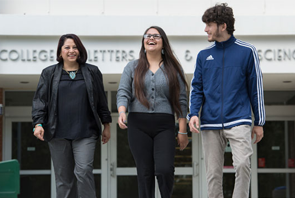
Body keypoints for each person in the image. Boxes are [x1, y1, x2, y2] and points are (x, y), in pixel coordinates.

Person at [188, 3, 265, 198]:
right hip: (210, 122)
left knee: (242, 164)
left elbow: (256, 89)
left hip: (239, 119)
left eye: (209, 24)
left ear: (223, 25)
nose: (205, 29)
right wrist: (193, 114)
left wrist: (260, 122)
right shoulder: (204, 56)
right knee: (213, 173)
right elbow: (197, 88)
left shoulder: (247, 51)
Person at [32, 34, 111, 198]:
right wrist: (38, 124)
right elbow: (40, 101)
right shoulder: (49, 73)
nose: (71, 51)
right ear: (60, 52)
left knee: (83, 172)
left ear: (80, 50)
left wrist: (106, 125)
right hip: (57, 133)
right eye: (67, 47)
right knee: (63, 179)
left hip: (86, 132)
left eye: (75, 47)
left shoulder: (92, 72)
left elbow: (101, 101)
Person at [117, 26, 189, 198]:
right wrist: (122, 111)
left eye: (156, 36)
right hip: (138, 124)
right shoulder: (132, 67)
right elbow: (123, 91)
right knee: (145, 172)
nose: (151, 38)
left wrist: (182, 130)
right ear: (143, 41)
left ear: (163, 42)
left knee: (164, 169)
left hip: (164, 125)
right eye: (148, 36)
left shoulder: (174, 68)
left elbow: (181, 100)